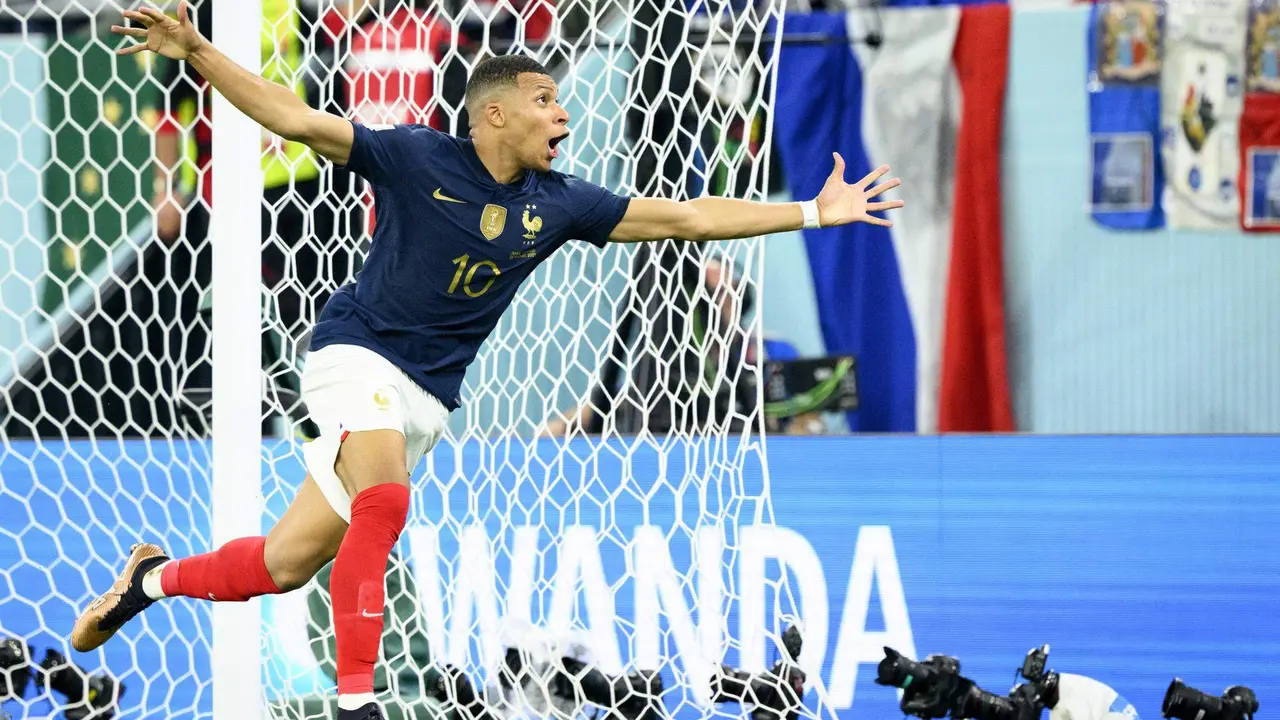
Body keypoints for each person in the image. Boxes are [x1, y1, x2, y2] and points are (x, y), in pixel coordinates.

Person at [74, 4, 904, 719]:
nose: (563, 115)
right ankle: (360, 703)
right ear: (495, 115)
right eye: (546, 100)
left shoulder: (561, 202)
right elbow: (295, 120)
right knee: (386, 504)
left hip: (426, 399)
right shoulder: (415, 157)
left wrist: (812, 212)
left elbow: (686, 217)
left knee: (285, 565)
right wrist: (201, 54)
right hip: (352, 353)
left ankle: (148, 581)